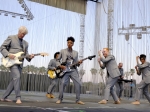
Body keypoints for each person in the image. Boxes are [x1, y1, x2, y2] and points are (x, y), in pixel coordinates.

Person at [0, 26, 34, 104]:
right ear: (19, 32)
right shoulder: (11, 37)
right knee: (17, 77)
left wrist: (30, 57)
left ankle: (4, 97)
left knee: (14, 80)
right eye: (22, 33)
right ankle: (18, 97)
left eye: (24, 34)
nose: (23, 35)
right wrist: (8, 54)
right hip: (11, 61)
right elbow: (2, 47)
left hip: (20, 63)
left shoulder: (26, 43)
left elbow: (26, 55)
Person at [56, 36, 84, 105]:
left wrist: (79, 63)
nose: (69, 44)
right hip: (65, 69)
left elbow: (76, 63)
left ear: (73, 44)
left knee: (78, 84)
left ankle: (78, 100)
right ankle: (60, 99)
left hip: (73, 70)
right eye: (68, 42)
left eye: (71, 43)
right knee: (62, 83)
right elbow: (57, 60)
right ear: (67, 43)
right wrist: (60, 66)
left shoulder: (76, 53)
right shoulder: (62, 51)